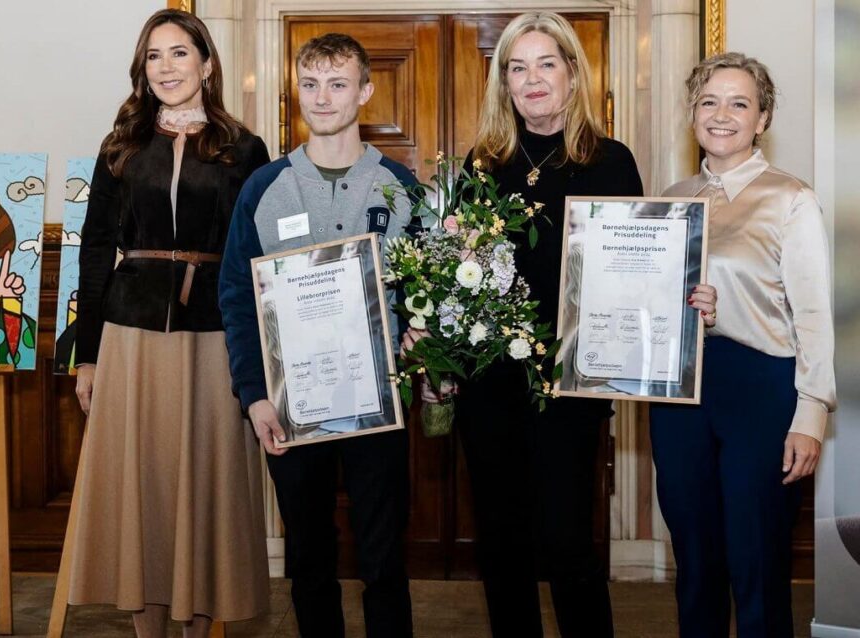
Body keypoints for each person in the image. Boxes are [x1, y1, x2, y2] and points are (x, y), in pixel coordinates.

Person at [406, 12, 715, 637]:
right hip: (489, 383)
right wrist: (434, 344)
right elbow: (456, 272)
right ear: (505, 84)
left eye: (546, 64)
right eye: (517, 68)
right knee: (500, 542)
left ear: (573, 75)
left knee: (571, 544)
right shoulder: (482, 163)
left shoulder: (609, 162)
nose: (532, 80)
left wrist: (680, 297)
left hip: (571, 385)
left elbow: (636, 272)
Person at [67, 9, 271, 638]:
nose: (166, 68)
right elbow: (96, 248)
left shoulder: (245, 149)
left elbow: (257, 256)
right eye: (154, 56)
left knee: (203, 485)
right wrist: (88, 354)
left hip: (214, 338)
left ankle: (197, 627)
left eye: (180, 53)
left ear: (207, 65)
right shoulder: (120, 145)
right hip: (130, 336)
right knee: (140, 487)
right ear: (142, 69)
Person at [219, 33, 419, 638]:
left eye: (337, 84)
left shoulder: (402, 189)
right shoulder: (264, 188)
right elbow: (236, 297)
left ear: (365, 90)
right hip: (292, 406)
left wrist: (420, 343)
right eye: (310, 84)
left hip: (379, 402)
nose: (323, 98)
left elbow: (427, 295)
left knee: (384, 558)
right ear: (295, 93)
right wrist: (254, 396)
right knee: (309, 557)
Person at [652, 52, 835, 638]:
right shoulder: (671, 198)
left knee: (756, 560)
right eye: (709, 101)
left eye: (739, 103)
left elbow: (814, 315)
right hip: (679, 392)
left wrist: (811, 414)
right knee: (695, 559)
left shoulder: (791, 199)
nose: (722, 114)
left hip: (761, 390)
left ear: (762, 119)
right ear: (691, 113)